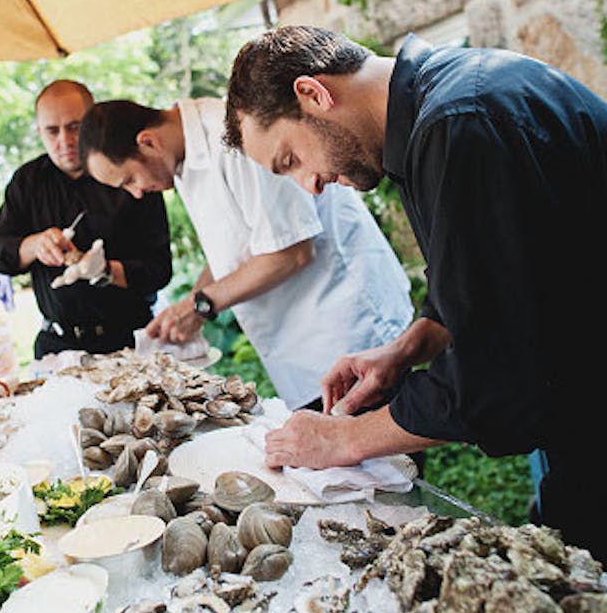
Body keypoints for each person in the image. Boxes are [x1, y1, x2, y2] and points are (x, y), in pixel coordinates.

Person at [222, 25, 607, 613]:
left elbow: (502, 376)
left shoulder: (463, 123)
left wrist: (342, 441)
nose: (308, 184)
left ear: (313, 93)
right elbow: (501, 274)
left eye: (290, 159)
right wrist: (410, 344)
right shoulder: (440, 109)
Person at [79, 98, 413, 411]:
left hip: (347, 331)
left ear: (148, 142)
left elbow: (291, 251)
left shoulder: (232, 137)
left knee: (384, 468)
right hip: (298, 351)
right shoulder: (180, 157)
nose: (136, 192)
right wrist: (195, 299)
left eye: (129, 180)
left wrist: (202, 304)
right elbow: (239, 243)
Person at [0, 80, 172, 358]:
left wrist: (105, 271)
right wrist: (35, 245)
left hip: (129, 341)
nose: (65, 142)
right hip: (57, 345)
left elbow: (159, 269)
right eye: (52, 131)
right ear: (39, 131)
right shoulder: (28, 181)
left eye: (74, 127)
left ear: (92, 121)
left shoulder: (131, 170)